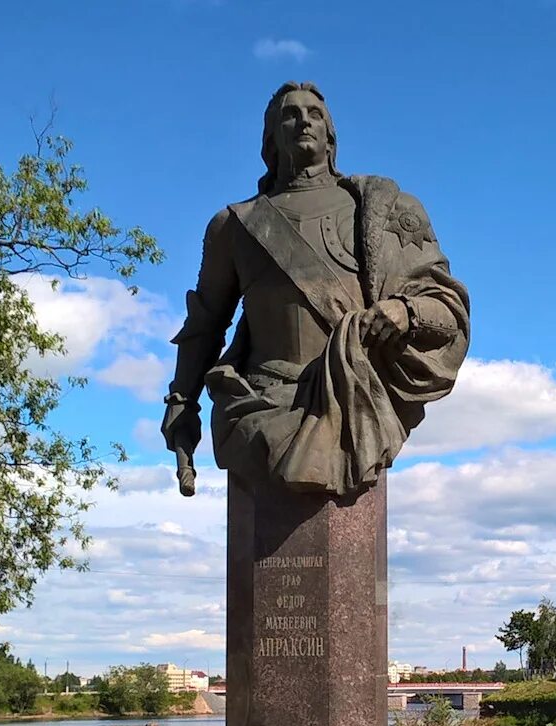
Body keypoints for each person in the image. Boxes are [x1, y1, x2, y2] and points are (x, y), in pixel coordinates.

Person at [161, 81, 470, 499]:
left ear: (331, 136)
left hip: (352, 404)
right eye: (290, 114)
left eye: (315, 114)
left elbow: (446, 309)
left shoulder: (381, 210)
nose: (304, 120)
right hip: (257, 407)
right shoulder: (233, 226)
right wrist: (182, 401)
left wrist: (404, 312)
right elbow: (206, 322)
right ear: (270, 138)